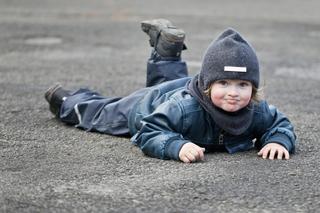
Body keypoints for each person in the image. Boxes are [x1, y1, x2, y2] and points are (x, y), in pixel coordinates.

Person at [44, 19, 296, 163]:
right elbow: (150, 130)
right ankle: (67, 101)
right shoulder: (185, 108)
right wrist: (175, 146)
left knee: (167, 86)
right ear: (208, 86)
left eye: (243, 85)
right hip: (146, 107)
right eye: (224, 83)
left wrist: (277, 140)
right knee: (101, 114)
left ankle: (167, 50)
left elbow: (280, 124)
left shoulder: (256, 110)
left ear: (253, 89)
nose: (233, 92)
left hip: (176, 90)